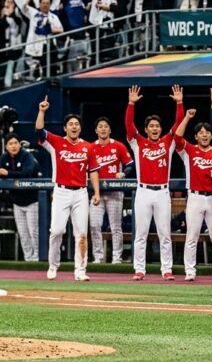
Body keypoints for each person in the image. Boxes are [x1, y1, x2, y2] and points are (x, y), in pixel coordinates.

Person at [36, 95, 101, 282]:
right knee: (56, 231)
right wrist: (42, 111)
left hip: (81, 192)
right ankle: (52, 266)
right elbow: (39, 131)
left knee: (81, 233)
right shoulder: (56, 142)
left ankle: (80, 271)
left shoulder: (88, 147)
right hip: (62, 191)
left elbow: (94, 171)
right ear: (65, 128)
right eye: (70, 124)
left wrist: (96, 192)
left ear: (80, 128)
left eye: (77, 124)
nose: (74, 126)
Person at [126, 84, 184, 281]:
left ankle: (166, 269)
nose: (154, 128)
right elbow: (128, 125)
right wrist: (131, 104)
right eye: (151, 126)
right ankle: (139, 269)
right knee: (140, 234)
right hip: (143, 192)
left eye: (157, 126)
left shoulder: (168, 142)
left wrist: (179, 103)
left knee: (164, 233)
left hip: (162, 192)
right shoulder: (138, 142)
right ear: (146, 129)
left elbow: (177, 125)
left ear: (160, 128)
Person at [175, 108, 212, 282]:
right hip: (195, 198)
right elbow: (177, 138)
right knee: (192, 236)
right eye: (200, 133)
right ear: (196, 136)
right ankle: (190, 271)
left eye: (207, 132)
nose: (204, 135)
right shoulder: (189, 151)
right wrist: (186, 118)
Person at [89, 117, 133, 265]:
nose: (103, 129)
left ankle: (116, 257)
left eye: (106, 126)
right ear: (96, 130)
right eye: (100, 126)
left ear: (110, 130)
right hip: (97, 192)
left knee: (115, 226)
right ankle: (98, 257)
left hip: (115, 192)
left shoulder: (118, 146)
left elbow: (130, 164)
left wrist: (124, 173)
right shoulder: (91, 147)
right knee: (94, 224)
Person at [0, 133, 40, 261]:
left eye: (16, 143)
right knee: (23, 233)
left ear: (19, 144)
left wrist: (8, 173)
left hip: (32, 201)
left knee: (34, 232)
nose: (14, 146)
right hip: (17, 202)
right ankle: (28, 258)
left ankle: (38, 257)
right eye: (10, 144)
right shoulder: (4, 157)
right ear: (6, 146)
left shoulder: (27, 155)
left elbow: (27, 173)